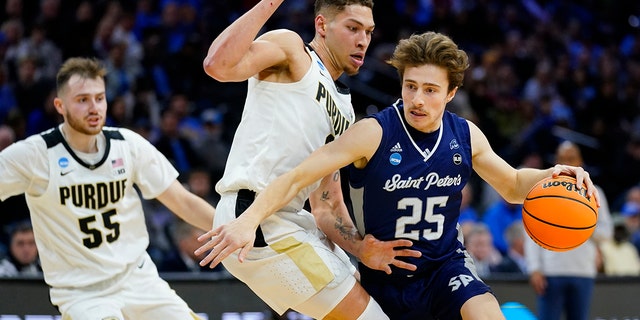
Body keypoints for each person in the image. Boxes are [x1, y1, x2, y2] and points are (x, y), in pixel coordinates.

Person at [198, 31, 600, 319]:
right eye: (410, 86)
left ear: (450, 93)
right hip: (386, 275)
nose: (417, 99)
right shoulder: (372, 133)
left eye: (429, 89)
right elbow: (297, 176)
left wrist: (553, 175)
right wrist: (249, 219)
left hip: (445, 267)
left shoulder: (465, 135)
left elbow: (513, 185)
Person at [198, 1, 422, 319]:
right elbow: (217, 65)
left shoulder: (345, 108)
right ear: (321, 26)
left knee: (385, 307)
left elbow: (326, 205)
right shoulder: (292, 50)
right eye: (353, 28)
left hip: (295, 224)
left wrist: (360, 249)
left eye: (369, 32)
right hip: (254, 219)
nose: (363, 40)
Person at [0, 57, 216, 320]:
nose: (94, 108)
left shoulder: (128, 145)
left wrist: (233, 228)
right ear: (60, 106)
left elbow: (183, 202)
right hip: (83, 293)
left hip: (138, 279)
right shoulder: (35, 155)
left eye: (99, 98)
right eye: (82, 100)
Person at [525, 140, 612, 320]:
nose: (567, 163)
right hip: (551, 271)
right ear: (556, 161)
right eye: (562, 158)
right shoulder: (544, 190)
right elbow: (531, 229)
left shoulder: (595, 192)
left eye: (571, 158)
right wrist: (534, 268)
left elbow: (607, 232)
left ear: (580, 161)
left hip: (583, 271)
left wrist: (581, 223)